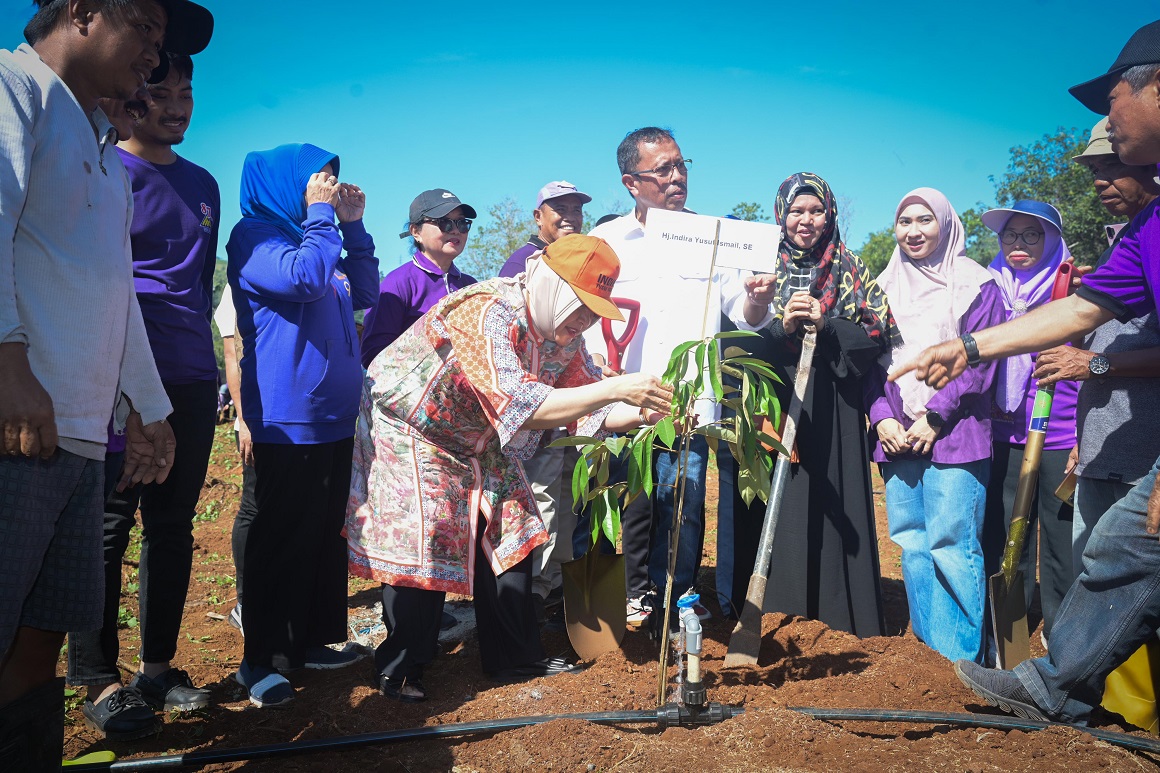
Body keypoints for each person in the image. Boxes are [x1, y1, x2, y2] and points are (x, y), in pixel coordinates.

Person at [896, 20, 1160, 725]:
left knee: (1125, 541)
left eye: (1111, 101)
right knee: (1120, 545)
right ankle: (1060, 687)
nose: (1106, 122)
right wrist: (973, 348)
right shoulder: (1148, 229)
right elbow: (1084, 306)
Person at [0, 0, 211, 764]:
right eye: (146, 32)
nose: (154, 59)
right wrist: (6, 357)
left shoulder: (97, 147)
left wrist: (150, 410)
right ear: (85, 12)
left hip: (81, 435)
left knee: (38, 642)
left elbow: (116, 288)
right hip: (19, 423)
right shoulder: (10, 90)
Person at [346, 234, 673, 701]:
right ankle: (402, 668)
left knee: (512, 527)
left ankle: (514, 657)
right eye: (579, 304)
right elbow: (522, 404)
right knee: (427, 534)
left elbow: (589, 412)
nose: (585, 319)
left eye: (594, 310)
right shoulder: (485, 310)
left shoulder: (566, 340)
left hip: (481, 438)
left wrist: (646, 413)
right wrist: (616, 389)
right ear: (552, 285)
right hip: (414, 428)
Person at [64, 51, 220, 741]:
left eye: (189, 90)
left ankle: (157, 667)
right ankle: (97, 677)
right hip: (121, 372)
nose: (180, 102)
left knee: (172, 523)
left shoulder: (204, 183)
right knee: (109, 520)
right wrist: (127, 386)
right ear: (136, 94)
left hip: (189, 374)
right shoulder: (106, 170)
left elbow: (192, 287)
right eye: (164, 89)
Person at [227, 143, 379, 708]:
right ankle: (260, 659)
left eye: (332, 179)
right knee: (281, 539)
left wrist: (354, 228)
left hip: (333, 418)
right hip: (287, 418)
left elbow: (362, 294)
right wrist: (322, 218)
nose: (327, 187)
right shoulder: (255, 237)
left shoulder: (319, 238)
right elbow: (305, 282)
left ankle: (310, 641)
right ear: (285, 182)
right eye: (318, 179)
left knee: (322, 535)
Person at [725, 172, 897, 637]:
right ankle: (774, 612)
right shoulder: (759, 268)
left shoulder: (851, 267)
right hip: (771, 399)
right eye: (796, 211)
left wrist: (830, 323)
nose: (806, 220)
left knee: (829, 501)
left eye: (815, 210)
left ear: (831, 213)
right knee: (775, 507)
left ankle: (839, 616)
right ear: (781, 214)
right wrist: (780, 328)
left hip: (832, 405)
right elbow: (733, 342)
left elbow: (877, 336)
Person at [866, 188, 1004, 663]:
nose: (914, 231)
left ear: (945, 224)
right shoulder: (881, 288)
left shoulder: (976, 285)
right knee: (912, 544)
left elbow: (981, 361)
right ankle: (929, 657)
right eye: (905, 222)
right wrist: (883, 417)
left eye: (925, 220)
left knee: (953, 543)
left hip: (956, 433)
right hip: (898, 438)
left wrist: (934, 415)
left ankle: (961, 662)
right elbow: (872, 363)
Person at [585, 127, 712, 627]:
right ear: (631, 182)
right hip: (624, 402)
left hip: (689, 403)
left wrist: (759, 298)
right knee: (626, 501)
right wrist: (604, 386)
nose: (677, 176)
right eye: (663, 169)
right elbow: (587, 320)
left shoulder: (711, 236)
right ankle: (634, 595)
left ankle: (679, 597)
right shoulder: (606, 242)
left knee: (685, 502)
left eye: (681, 165)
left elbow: (746, 318)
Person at [1034, 118, 1160, 574]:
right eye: (1094, 171)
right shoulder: (1123, 242)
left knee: (1133, 595)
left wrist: (1098, 364)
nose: (1101, 180)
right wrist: (1082, 439)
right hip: (1099, 453)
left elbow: (1095, 361)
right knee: (1094, 582)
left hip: (1145, 462)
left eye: (1113, 165)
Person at [980, 199, 1078, 649]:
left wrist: (1084, 436)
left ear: (1053, 239)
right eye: (1010, 235)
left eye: (1031, 235)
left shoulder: (1076, 289)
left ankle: (1065, 646)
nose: (1018, 244)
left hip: (1062, 435)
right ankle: (1012, 642)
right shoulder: (987, 288)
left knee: (1062, 546)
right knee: (1006, 537)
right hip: (1003, 433)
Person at [499, 180, 592, 626]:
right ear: (539, 216)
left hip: (560, 418)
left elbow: (572, 354)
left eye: (576, 207)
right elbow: (518, 350)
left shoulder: (579, 262)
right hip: (526, 421)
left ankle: (550, 591)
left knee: (564, 506)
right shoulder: (524, 266)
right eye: (560, 208)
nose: (570, 215)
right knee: (539, 506)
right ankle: (530, 601)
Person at [359, 189, 478, 368]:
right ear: (416, 231)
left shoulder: (471, 286)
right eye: (445, 223)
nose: (455, 230)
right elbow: (372, 354)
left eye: (462, 223)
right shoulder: (397, 284)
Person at [212, 282, 251, 635]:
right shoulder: (240, 279)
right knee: (255, 507)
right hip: (258, 417)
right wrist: (244, 417)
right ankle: (245, 601)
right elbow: (232, 355)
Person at [498, 180, 590, 278]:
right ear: (538, 217)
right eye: (561, 210)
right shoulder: (521, 264)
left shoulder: (580, 262)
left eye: (576, 210)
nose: (571, 218)